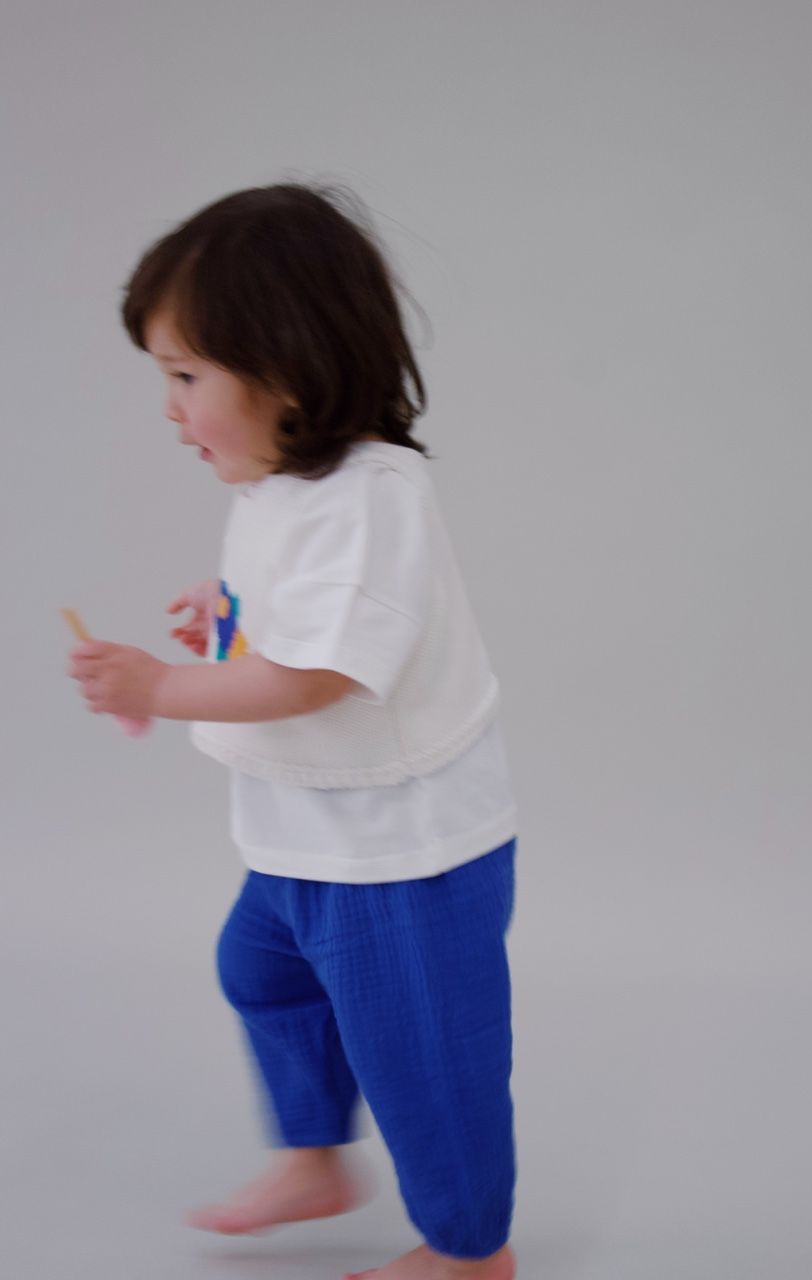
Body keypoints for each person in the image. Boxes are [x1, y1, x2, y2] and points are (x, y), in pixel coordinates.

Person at [66, 183, 519, 1280]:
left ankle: (470, 1253)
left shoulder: (373, 495)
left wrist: (161, 683)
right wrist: (227, 615)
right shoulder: (279, 485)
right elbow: (298, 615)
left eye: (185, 376)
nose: (169, 408)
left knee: (422, 1056)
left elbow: (316, 674)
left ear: (286, 371)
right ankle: (314, 1158)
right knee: (262, 974)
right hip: (306, 833)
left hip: (398, 852)